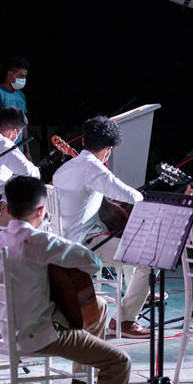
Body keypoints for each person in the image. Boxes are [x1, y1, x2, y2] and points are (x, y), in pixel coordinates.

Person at [0, 175, 131, 384]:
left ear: (7, 209)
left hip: (10, 327)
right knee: (119, 362)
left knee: (99, 306)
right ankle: (90, 373)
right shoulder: (40, 241)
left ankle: (81, 378)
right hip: (39, 334)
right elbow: (93, 264)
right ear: (42, 210)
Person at [52, 115, 151, 339]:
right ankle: (125, 320)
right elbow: (133, 196)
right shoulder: (94, 169)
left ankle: (131, 302)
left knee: (127, 249)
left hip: (61, 242)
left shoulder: (63, 170)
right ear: (108, 149)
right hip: (85, 245)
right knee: (147, 261)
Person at [0, 55, 31, 157]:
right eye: (21, 76)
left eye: (25, 76)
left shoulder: (21, 96)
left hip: (19, 151)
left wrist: (27, 151)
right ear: (10, 74)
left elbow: (24, 126)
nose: (23, 79)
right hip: (2, 152)